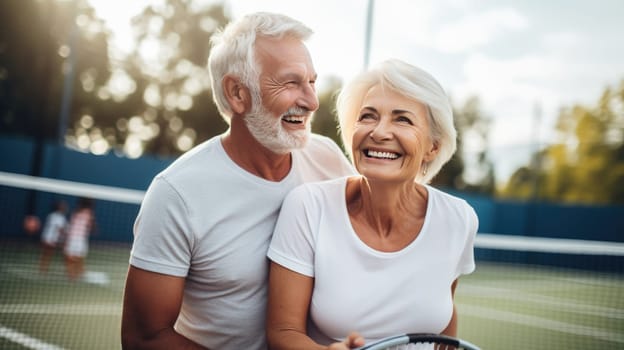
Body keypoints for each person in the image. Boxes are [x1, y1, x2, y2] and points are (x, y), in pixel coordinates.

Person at [120, 12, 354, 350]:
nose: (311, 100)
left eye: (312, 82)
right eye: (291, 82)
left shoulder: (328, 158)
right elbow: (143, 337)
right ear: (237, 93)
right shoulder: (177, 194)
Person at [266, 59, 479, 349]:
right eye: (367, 116)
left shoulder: (459, 219)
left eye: (402, 119)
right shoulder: (308, 206)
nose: (379, 132)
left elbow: (444, 324)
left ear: (433, 146)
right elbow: (283, 332)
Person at [64, 197, 95, 281]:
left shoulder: (76, 212)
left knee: (72, 257)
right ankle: (76, 273)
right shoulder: (89, 213)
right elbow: (92, 227)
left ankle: (73, 274)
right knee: (77, 257)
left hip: (74, 238)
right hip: (78, 238)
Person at [39, 200, 68, 274]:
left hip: (51, 238)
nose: (65, 207)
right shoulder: (57, 216)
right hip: (50, 239)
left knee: (47, 254)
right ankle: (43, 269)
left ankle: (43, 269)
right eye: (63, 206)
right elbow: (60, 229)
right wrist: (67, 236)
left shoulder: (57, 216)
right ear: (59, 207)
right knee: (48, 253)